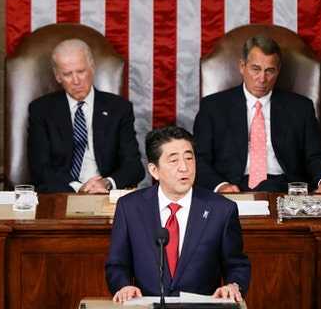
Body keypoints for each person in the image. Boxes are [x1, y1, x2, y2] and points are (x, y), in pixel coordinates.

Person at [106, 125, 251, 303]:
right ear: (154, 170)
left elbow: (237, 265)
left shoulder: (221, 210)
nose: (184, 167)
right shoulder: (130, 207)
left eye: (189, 158)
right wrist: (123, 286)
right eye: (174, 161)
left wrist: (233, 285)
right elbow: (117, 265)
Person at [193, 35, 321, 194]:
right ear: (242, 66)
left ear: (278, 70)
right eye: (256, 69)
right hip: (235, 187)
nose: (262, 79)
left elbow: (315, 156)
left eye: (269, 71)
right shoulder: (213, 107)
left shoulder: (301, 107)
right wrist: (220, 186)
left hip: (287, 188)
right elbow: (200, 160)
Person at [27, 39, 145, 193]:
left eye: (81, 72)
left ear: (92, 68)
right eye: (67, 74)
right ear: (57, 76)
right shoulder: (41, 110)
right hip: (61, 193)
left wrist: (107, 183)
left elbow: (134, 166)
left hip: (104, 194)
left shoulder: (119, 108)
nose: (76, 81)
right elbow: (40, 168)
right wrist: (78, 187)